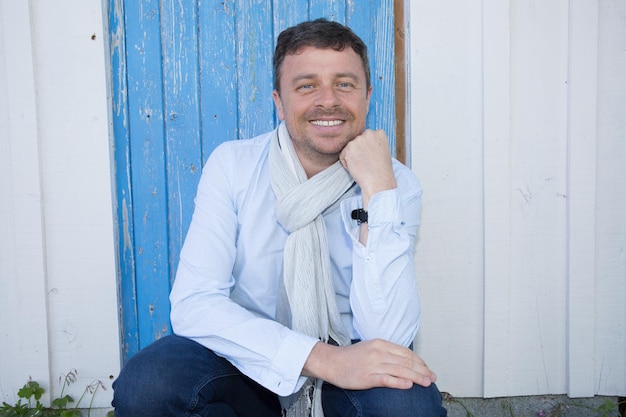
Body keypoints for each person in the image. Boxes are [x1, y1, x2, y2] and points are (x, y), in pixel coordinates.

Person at [112, 18, 447, 417]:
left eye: (345, 83)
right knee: (150, 386)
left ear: (368, 95)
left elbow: (389, 336)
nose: (328, 100)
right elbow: (195, 303)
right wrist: (320, 359)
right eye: (307, 85)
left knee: (404, 406)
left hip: (354, 361)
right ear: (278, 101)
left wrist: (377, 191)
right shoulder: (234, 167)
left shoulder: (395, 184)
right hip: (250, 356)